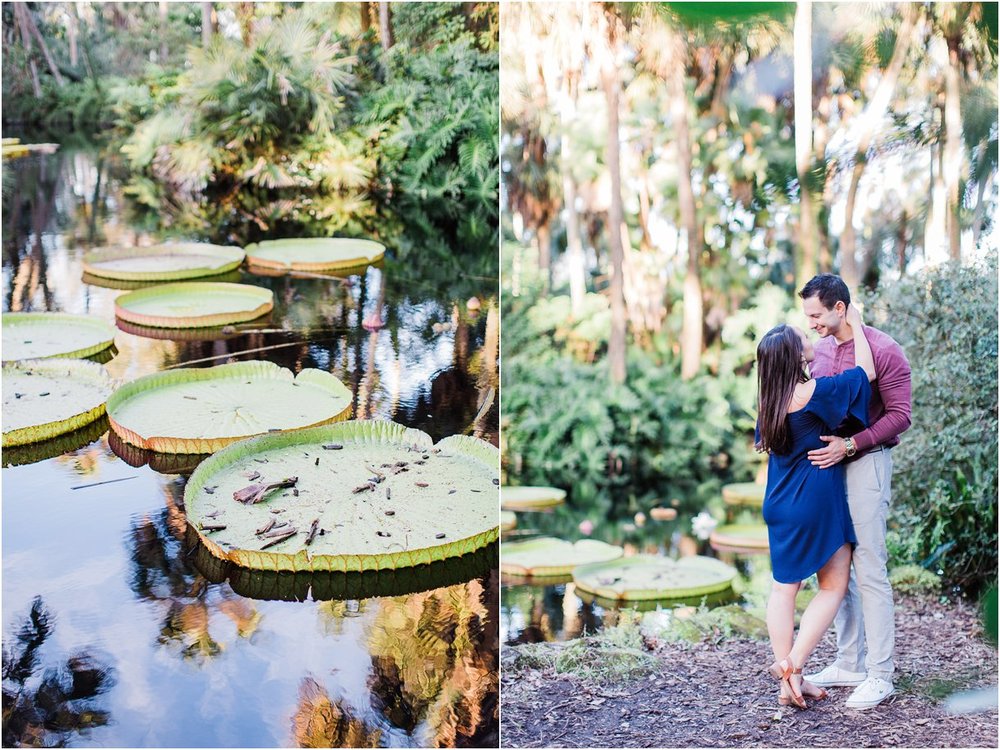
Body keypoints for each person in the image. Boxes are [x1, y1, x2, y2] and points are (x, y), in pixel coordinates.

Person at [799, 274, 912, 710]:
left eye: (816, 315)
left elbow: (900, 415)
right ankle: (849, 662)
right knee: (836, 565)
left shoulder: (885, 350)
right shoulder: (820, 350)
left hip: (867, 463)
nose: (811, 323)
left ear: (840, 308)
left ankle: (881, 674)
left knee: (869, 567)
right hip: (827, 470)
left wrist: (851, 444)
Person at [755, 303, 874, 709]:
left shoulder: (768, 403)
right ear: (793, 355)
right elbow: (864, 376)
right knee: (833, 585)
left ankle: (790, 683)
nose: (809, 336)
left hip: (778, 504)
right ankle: (792, 664)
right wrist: (855, 327)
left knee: (783, 589)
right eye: (801, 337)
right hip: (814, 504)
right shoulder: (815, 394)